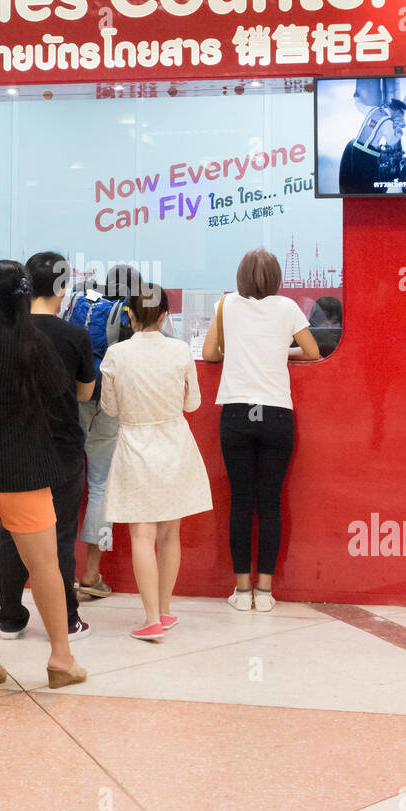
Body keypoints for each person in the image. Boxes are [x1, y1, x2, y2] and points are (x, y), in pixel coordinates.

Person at [0, 260, 86, 690]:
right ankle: (61, 658)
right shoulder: (33, 342)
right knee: (44, 563)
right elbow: (59, 392)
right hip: (24, 469)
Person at [202, 249, 320, 611]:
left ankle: (240, 591)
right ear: (276, 278)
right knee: (269, 502)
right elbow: (313, 351)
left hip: (237, 411)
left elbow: (209, 354)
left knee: (240, 501)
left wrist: (236, 351)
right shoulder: (287, 308)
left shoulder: (226, 305)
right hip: (275, 413)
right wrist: (281, 352)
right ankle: (266, 592)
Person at [100, 284, 212, 641]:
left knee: (141, 535)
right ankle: (164, 611)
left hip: (135, 447)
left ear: (129, 314)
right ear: (165, 316)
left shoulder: (116, 355)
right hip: (175, 445)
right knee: (170, 534)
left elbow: (109, 409)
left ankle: (149, 617)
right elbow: (192, 404)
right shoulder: (180, 351)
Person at [0, 251, 95, 641]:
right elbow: (85, 393)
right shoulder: (74, 336)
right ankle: (67, 620)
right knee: (60, 534)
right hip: (63, 449)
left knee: (11, 532)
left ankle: (9, 617)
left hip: (14, 447)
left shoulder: (5, 333)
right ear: (62, 289)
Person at [70, 264, 140, 600]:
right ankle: (91, 574)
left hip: (75, 398)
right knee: (100, 486)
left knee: (65, 484)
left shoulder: (84, 302)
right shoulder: (129, 312)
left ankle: (58, 570)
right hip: (108, 404)